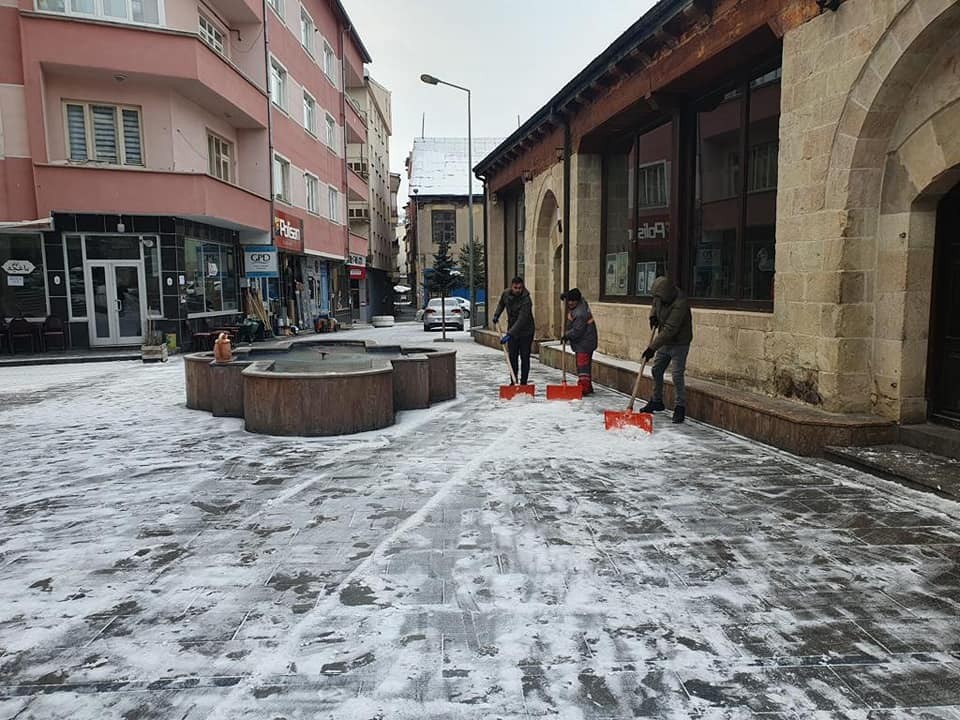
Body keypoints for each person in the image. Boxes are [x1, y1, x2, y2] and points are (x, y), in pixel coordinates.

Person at [640, 275, 693, 423]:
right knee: (656, 370)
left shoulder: (680, 303)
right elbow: (654, 304)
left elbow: (670, 329)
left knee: (676, 375)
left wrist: (651, 348)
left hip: (679, 343)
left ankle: (680, 407)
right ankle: (657, 401)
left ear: (668, 294)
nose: (659, 301)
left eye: (661, 299)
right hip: (665, 342)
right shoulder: (660, 297)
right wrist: (653, 316)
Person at [491, 276, 535, 385]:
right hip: (513, 330)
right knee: (512, 356)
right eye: (515, 288)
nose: (518, 290)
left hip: (526, 331)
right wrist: (497, 315)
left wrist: (509, 334)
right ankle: (513, 381)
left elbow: (522, 319)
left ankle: (523, 382)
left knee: (525, 357)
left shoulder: (526, 300)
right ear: (512, 286)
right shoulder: (506, 294)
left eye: (520, 288)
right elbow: (501, 303)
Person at [560, 288, 597, 395]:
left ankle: (584, 388)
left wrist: (566, 335)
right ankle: (588, 386)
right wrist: (565, 297)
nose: (570, 303)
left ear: (577, 300)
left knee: (583, 365)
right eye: (569, 301)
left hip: (584, 342)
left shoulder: (580, 313)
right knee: (585, 364)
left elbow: (577, 330)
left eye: (573, 301)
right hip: (586, 341)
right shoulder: (580, 304)